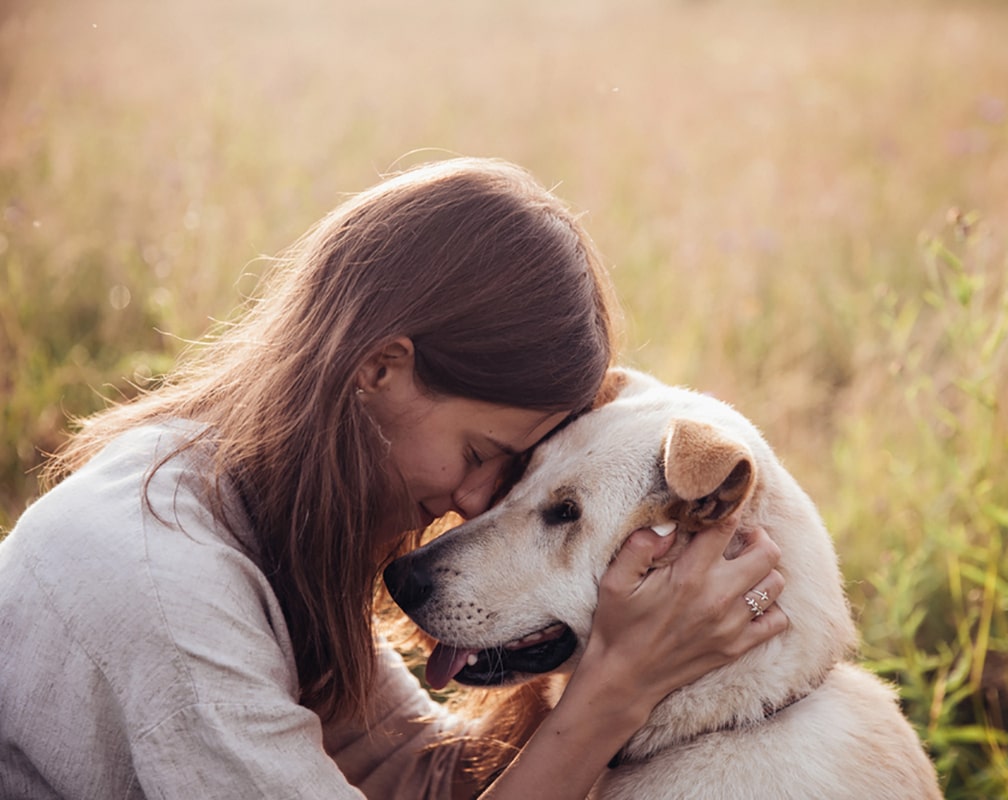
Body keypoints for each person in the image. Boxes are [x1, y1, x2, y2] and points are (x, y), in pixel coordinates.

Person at [0, 157, 785, 799]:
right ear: (380, 368)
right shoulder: (168, 593)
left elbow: (418, 779)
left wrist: (619, 633)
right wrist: (618, 687)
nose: (477, 500)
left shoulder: (257, 502)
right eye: (481, 455)